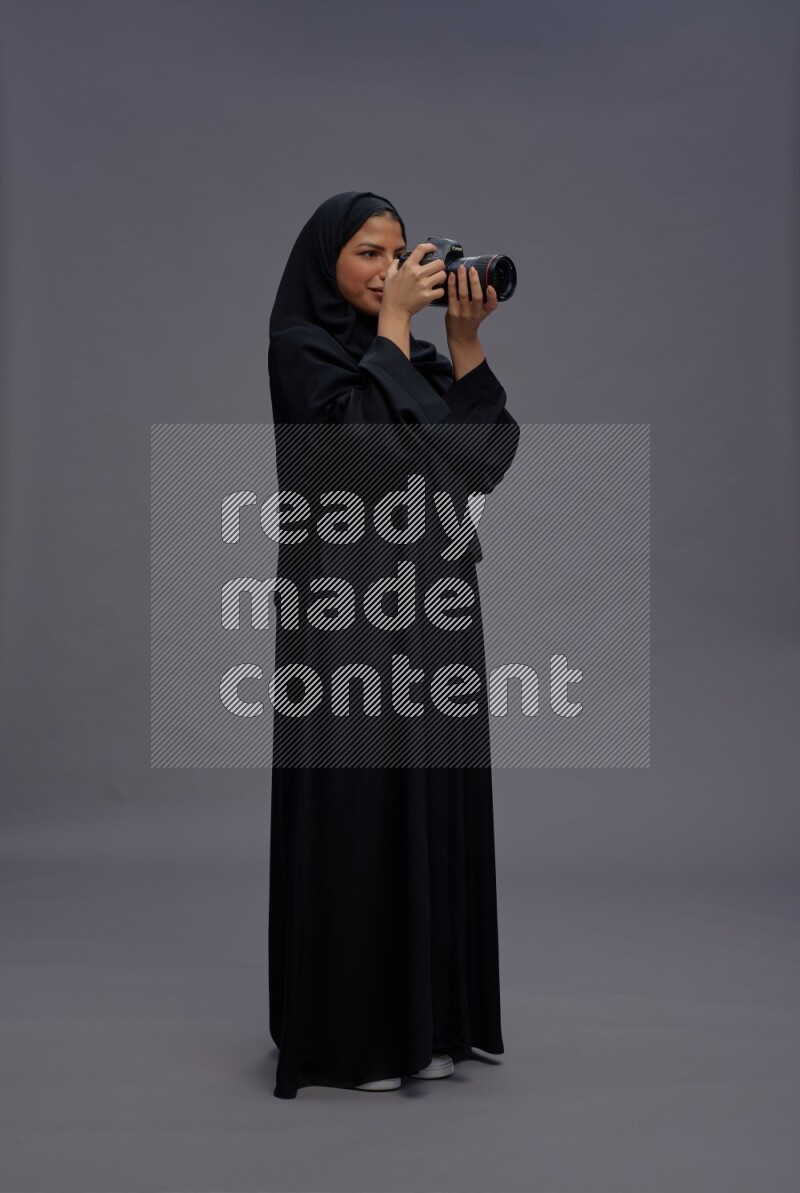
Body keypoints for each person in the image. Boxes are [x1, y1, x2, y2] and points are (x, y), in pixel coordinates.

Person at [267, 190, 520, 1098]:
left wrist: (462, 345)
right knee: (363, 799)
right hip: (348, 599)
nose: (389, 269)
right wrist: (394, 332)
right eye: (370, 254)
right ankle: (358, 1033)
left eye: (400, 253)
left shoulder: (408, 357)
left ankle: (437, 1021)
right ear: (326, 264)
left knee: (434, 789)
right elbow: (344, 450)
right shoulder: (301, 350)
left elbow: (483, 461)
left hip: (436, 597)